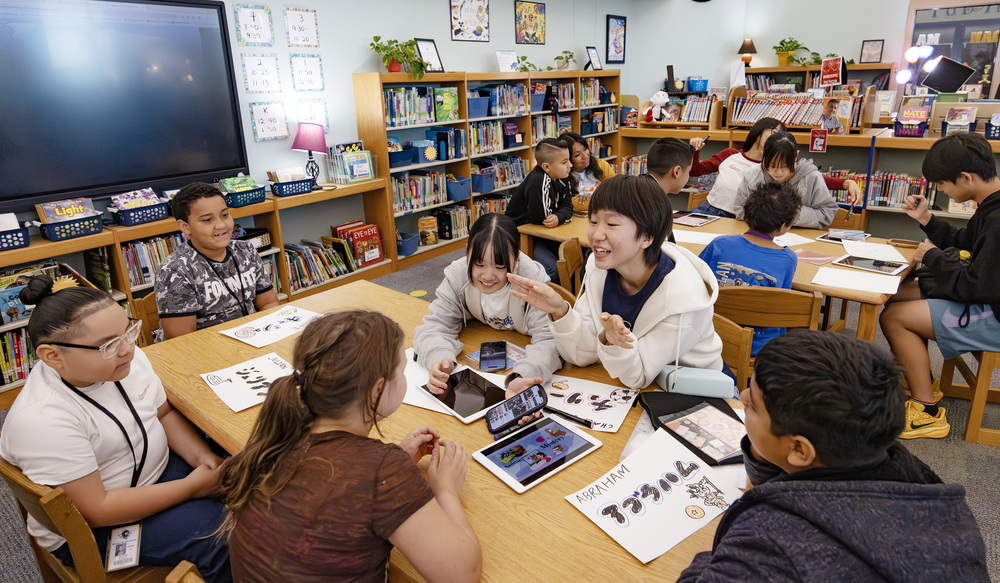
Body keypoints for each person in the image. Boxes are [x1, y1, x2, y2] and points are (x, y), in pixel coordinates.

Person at [677, 330, 989, 582]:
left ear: (800, 450)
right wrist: (766, 457)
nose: (742, 396)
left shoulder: (769, 541)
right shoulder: (896, 465)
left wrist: (715, 554)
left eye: (754, 405)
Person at [220, 311, 482, 583]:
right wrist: (446, 489)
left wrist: (396, 469)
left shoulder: (281, 433)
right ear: (376, 391)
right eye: (402, 371)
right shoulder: (382, 469)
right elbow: (463, 575)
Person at [0, 277, 230, 581]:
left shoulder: (125, 361)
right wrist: (193, 487)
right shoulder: (42, 419)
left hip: (152, 473)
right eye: (108, 344)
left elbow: (162, 414)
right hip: (97, 527)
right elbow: (96, 509)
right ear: (52, 356)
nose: (128, 350)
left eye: (128, 332)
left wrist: (202, 457)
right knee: (225, 537)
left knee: (249, 480)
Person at [508, 175, 724, 390]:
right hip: (633, 387)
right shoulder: (599, 268)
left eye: (611, 223)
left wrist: (614, 343)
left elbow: (638, 377)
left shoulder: (682, 296)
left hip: (697, 395)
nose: (596, 234)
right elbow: (582, 354)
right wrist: (561, 311)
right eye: (593, 221)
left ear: (647, 237)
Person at [880, 132, 1000, 440]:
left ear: (965, 177)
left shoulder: (997, 219)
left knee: (893, 317)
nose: (942, 190)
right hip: (986, 299)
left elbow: (976, 286)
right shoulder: (990, 205)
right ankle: (921, 377)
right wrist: (926, 219)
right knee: (895, 296)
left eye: (944, 184)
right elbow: (965, 243)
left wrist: (933, 257)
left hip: (993, 315)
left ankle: (928, 412)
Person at [414, 213, 560, 396]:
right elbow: (434, 326)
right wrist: (439, 358)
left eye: (499, 266)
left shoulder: (532, 281)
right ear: (467, 254)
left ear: (517, 258)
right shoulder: (458, 275)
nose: (488, 275)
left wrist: (524, 374)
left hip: (517, 361)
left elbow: (549, 341)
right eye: (478, 263)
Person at [154, 182, 279, 340]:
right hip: (204, 351)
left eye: (225, 215)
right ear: (185, 226)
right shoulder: (174, 271)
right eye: (207, 220)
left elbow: (268, 304)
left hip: (250, 338)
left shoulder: (246, 250)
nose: (221, 225)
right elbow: (182, 341)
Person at [698, 182, 800, 355]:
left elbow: (697, 283)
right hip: (762, 347)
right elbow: (781, 304)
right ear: (783, 226)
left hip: (712, 335)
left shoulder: (719, 245)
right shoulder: (787, 260)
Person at [687, 117, 860, 217]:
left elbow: (806, 174)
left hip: (739, 218)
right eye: (774, 132)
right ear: (759, 131)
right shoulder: (731, 154)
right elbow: (695, 171)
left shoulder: (771, 167)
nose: (777, 138)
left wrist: (846, 183)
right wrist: (694, 151)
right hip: (707, 210)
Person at [734, 132, 840, 229]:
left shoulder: (812, 177)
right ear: (763, 156)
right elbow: (740, 211)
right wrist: (767, 215)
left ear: (795, 157)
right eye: (772, 165)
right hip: (762, 235)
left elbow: (827, 213)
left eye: (785, 166)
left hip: (802, 237)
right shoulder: (752, 176)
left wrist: (789, 214)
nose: (778, 172)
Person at [506, 138, 576, 284]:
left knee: (576, 256)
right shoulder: (539, 181)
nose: (570, 165)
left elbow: (569, 207)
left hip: (544, 233)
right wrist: (560, 215)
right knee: (553, 271)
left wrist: (559, 216)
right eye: (564, 162)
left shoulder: (563, 177)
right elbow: (544, 218)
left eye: (568, 160)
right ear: (546, 167)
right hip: (522, 237)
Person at [560, 131, 616, 203]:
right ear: (567, 159)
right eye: (577, 155)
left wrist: (589, 199)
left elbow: (615, 192)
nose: (585, 156)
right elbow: (566, 204)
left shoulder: (601, 165)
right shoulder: (562, 175)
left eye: (585, 149)